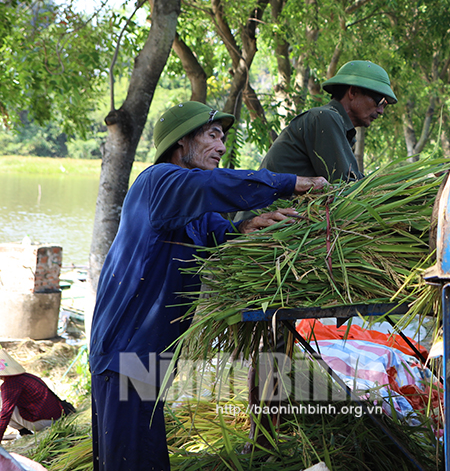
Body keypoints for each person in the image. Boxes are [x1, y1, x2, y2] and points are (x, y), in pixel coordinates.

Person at [89, 101, 328, 471]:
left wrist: (245, 228)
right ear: (181, 142)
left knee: (145, 454)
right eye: (212, 135)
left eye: (223, 138)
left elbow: (220, 231)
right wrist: (291, 182)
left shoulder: (190, 206)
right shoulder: (159, 182)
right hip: (125, 352)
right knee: (129, 458)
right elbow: (213, 185)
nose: (221, 146)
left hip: (151, 353)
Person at [260, 60, 397, 182]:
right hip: (264, 210)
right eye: (379, 102)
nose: (381, 111)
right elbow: (344, 186)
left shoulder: (338, 127)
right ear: (353, 92)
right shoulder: (325, 118)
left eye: (384, 106)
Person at [0, 348, 71, 439]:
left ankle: (25, 433)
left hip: (45, 422)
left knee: (2, 403)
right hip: (57, 415)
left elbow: (5, 414)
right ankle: (25, 432)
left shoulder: (10, 384)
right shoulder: (26, 376)